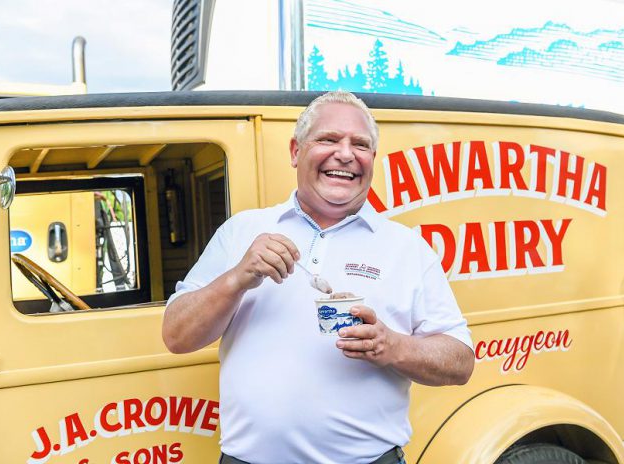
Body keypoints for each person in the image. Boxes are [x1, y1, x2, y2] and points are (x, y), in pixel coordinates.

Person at [162, 91, 474, 464]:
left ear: (372, 160)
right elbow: (176, 336)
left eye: (360, 145)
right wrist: (237, 278)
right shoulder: (242, 231)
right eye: (328, 139)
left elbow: (461, 362)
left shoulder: (406, 247)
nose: (345, 154)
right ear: (296, 151)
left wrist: (394, 347)